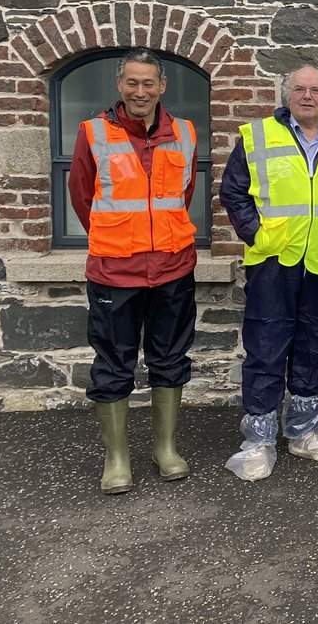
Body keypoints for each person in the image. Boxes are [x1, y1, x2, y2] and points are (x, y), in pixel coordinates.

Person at [219, 65, 318, 481]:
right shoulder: (257, 136)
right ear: (287, 94)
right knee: (267, 345)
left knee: (316, 343)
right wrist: (256, 235)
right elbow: (233, 191)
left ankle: (305, 432)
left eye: (316, 90)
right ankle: (258, 440)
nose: (308, 96)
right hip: (272, 261)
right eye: (300, 89)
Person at [68, 47, 198, 494]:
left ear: (162, 86)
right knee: (113, 363)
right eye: (131, 82)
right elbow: (83, 198)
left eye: (148, 83)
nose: (140, 91)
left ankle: (166, 450)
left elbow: (181, 195)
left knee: (170, 358)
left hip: (172, 268)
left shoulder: (184, 131)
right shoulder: (92, 132)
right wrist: (121, 236)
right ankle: (117, 458)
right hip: (113, 272)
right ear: (119, 86)